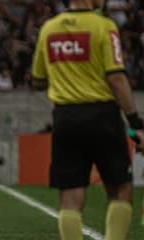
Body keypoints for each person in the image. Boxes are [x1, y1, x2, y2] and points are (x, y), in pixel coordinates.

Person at [31, 1, 144, 240]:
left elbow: (38, 80)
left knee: (70, 198)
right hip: (102, 116)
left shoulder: (49, 28)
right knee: (120, 190)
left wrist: (66, 72)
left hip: (66, 118)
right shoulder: (103, 26)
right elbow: (116, 78)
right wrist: (136, 123)